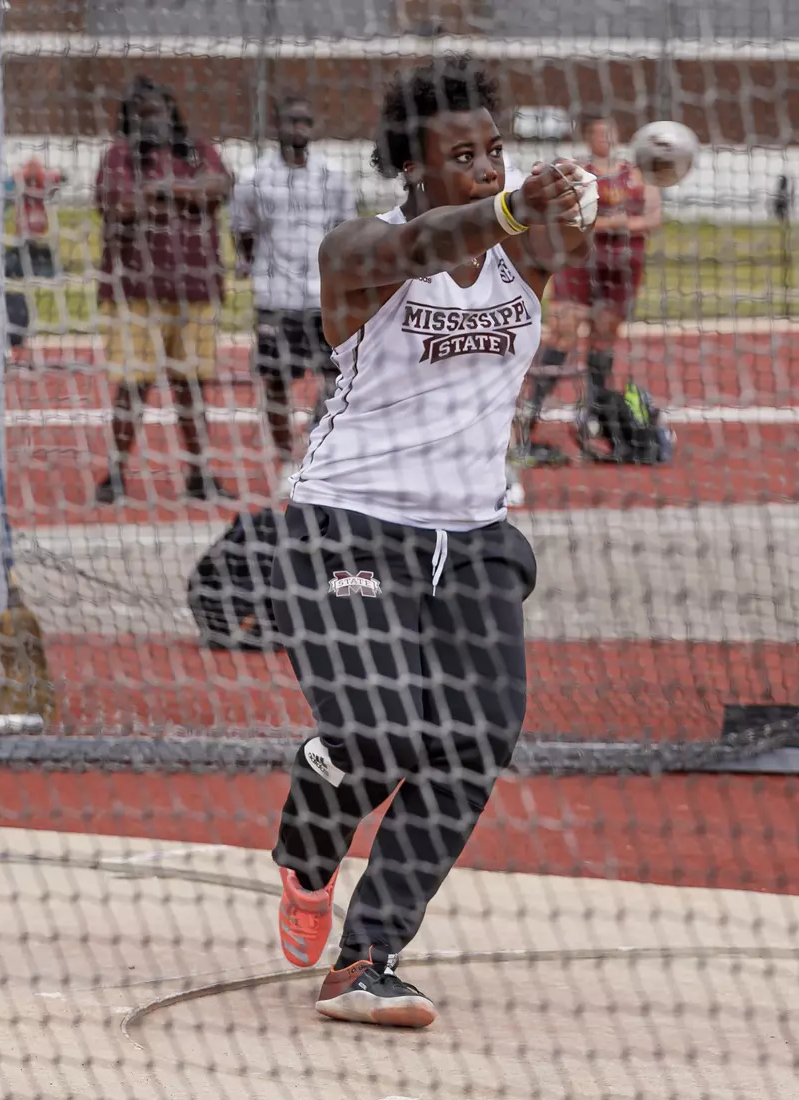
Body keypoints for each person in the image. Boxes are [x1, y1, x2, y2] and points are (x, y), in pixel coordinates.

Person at [269, 55, 591, 1029]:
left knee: (473, 739)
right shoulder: (358, 248)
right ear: (412, 166)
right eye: (463, 154)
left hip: (477, 534)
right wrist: (506, 207)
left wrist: (577, 194)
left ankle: (367, 956)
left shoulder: (522, 252)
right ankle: (310, 824)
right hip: (348, 526)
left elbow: (559, 229)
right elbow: (420, 246)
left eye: (495, 148)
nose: (489, 166)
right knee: (380, 733)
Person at [92, 76, 234, 503]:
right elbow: (119, 205)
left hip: (194, 288)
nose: (152, 120)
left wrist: (161, 189)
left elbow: (220, 187)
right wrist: (186, 196)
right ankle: (116, 472)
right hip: (136, 291)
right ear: (130, 119)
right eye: (143, 114)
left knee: (192, 386)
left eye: (159, 111)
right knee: (132, 386)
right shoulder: (118, 155)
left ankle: (198, 472)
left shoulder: (197, 148)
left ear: (172, 113)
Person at [232, 95, 359, 497]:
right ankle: (287, 457)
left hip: (322, 297)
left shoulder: (334, 176)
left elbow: (345, 232)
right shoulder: (253, 178)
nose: (299, 128)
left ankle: (318, 450)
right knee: (274, 381)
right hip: (275, 295)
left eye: (305, 120)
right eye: (292, 121)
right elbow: (243, 231)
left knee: (335, 378)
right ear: (277, 125)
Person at [518, 112, 661, 461]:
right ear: (588, 137)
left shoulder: (637, 174)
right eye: (598, 132)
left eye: (610, 132)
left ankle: (594, 419)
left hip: (622, 269)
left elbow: (654, 218)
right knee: (563, 331)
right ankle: (527, 417)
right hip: (582, 264)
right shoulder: (579, 173)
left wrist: (624, 222)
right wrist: (605, 223)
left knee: (603, 337)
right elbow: (567, 218)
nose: (605, 138)